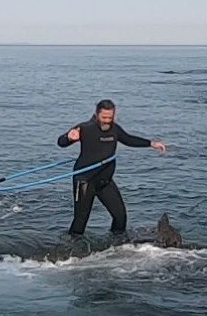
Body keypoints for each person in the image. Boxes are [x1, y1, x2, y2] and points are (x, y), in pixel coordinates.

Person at [57, 99, 167, 236]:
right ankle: (70, 251)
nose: (107, 121)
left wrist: (151, 144)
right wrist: (68, 137)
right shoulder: (85, 128)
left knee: (120, 217)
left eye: (110, 117)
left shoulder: (115, 129)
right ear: (97, 115)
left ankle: (116, 247)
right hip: (84, 181)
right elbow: (61, 142)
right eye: (104, 117)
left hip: (105, 182)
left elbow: (128, 139)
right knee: (80, 221)